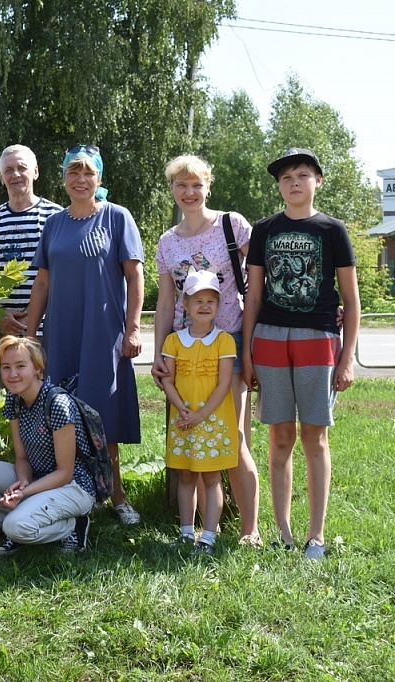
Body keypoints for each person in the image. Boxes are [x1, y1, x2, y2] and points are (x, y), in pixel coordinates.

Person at [242, 147, 360, 561]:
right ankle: (284, 533)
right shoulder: (264, 230)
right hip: (270, 339)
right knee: (279, 438)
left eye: (303, 174)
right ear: (279, 186)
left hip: (319, 339)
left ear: (317, 181)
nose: (294, 182)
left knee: (315, 438)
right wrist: (247, 352)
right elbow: (253, 295)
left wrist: (347, 358)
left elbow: (351, 299)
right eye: (286, 176)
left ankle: (316, 537)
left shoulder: (333, 230)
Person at [24, 144, 143, 525]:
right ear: (63, 178)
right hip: (61, 335)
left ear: (99, 179)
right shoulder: (54, 224)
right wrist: (29, 337)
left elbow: (135, 276)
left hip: (102, 336)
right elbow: (42, 282)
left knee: (101, 417)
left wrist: (134, 328)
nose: (80, 179)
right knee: (62, 417)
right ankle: (74, 498)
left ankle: (117, 496)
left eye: (88, 173)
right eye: (73, 173)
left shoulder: (117, 218)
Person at [152, 154, 261, 546]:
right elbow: (166, 303)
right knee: (193, 437)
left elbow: (262, 278)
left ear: (208, 186)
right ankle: (197, 530)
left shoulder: (233, 225)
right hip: (183, 353)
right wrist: (160, 355)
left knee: (234, 436)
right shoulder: (167, 241)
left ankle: (250, 529)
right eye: (181, 185)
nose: (189, 192)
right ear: (172, 190)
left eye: (196, 184)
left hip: (227, 344)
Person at [0, 336, 96, 557]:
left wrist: (24, 492)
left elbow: (65, 473)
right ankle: (19, 524)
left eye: (21, 366)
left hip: (73, 487)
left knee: (15, 526)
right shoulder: (14, 398)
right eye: (6, 367)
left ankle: (72, 526)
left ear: (38, 369)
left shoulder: (57, 404)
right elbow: (22, 458)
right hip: (39, 479)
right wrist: (22, 482)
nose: (13, 374)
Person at [160, 269, 239, 555]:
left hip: (212, 420)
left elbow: (224, 383)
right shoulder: (173, 341)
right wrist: (182, 409)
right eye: (197, 300)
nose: (204, 306)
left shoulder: (224, 341)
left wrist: (201, 414)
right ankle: (185, 533)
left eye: (211, 301)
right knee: (186, 476)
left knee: (212, 478)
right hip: (183, 419)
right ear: (185, 305)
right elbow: (167, 379)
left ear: (218, 305)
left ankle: (208, 535)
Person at [0, 144, 62, 390]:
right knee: (6, 405)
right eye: (9, 170)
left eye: (22, 168)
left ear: (35, 171)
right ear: (1, 176)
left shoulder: (56, 218)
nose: (15, 174)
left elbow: (64, 278)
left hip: (47, 331)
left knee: (48, 398)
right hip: (0, 333)